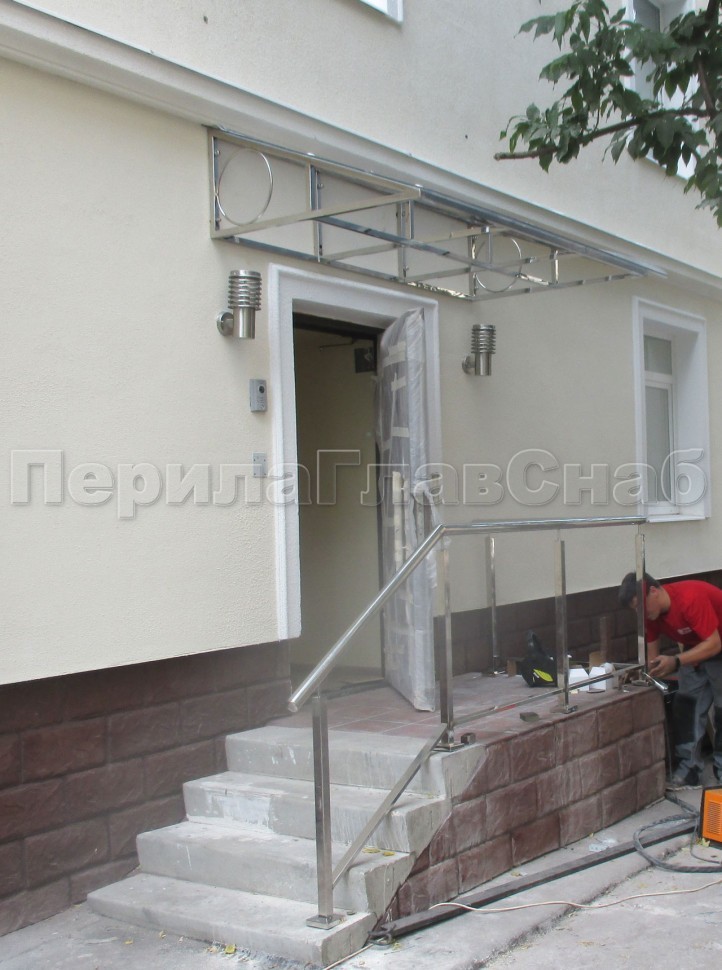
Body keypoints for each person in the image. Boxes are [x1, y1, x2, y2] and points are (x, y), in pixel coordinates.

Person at [619, 571, 722, 789]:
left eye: (640, 606)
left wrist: (675, 661)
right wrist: (645, 673)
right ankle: (689, 770)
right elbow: (653, 659)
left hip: (716, 641)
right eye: (635, 610)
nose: (640, 613)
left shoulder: (690, 598)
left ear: (653, 591)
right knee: (687, 706)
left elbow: (714, 644)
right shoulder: (652, 616)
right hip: (698, 646)